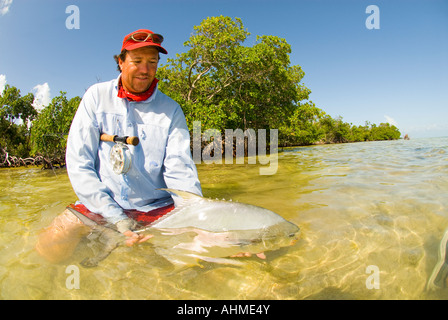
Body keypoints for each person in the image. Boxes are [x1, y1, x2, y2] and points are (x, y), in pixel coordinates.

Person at [36, 29, 202, 263]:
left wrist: (198, 221)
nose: (145, 69)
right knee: (49, 247)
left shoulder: (172, 109)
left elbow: (181, 172)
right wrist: (115, 218)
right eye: (137, 61)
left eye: (152, 62)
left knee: (194, 257)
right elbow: (79, 164)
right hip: (103, 203)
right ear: (121, 62)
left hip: (157, 208)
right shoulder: (96, 97)